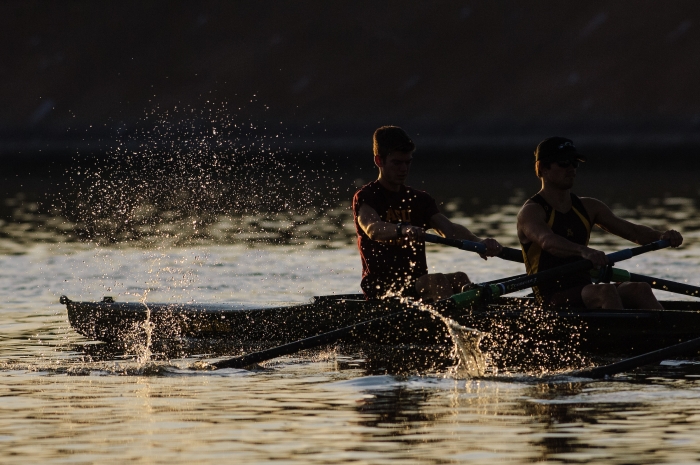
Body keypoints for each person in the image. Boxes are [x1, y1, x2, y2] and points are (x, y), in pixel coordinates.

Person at [516, 137, 683, 309]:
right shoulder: (531, 212)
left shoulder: (589, 207)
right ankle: (622, 334)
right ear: (542, 167)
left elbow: (633, 232)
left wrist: (662, 236)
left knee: (640, 289)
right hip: (550, 299)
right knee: (606, 292)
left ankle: (665, 334)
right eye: (564, 162)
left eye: (575, 162)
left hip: (585, 291)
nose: (572, 168)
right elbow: (547, 242)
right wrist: (583, 251)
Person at [352, 126, 503, 301]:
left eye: (408, 162)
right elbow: (373, 229)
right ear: (379, 161)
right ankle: (453, 325)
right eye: (397, 163)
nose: (403, 169)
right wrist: (403, 230)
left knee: (459, 278)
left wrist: (479, 243)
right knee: (436, 281)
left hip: (415, 285)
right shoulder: (366, 197)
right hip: (383, 291)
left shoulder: (419, 199)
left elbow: (450, 230)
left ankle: (470, 320)